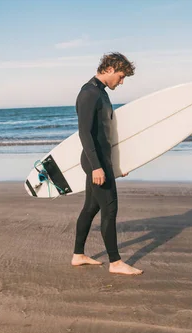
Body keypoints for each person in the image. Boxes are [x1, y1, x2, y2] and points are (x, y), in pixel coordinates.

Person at [71, 52, 143, 275]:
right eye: (121, 77)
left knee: (91, 207)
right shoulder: (88, 93)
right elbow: (85, 133)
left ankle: (78, 255)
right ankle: (115, 262)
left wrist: (117, 165)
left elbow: (107, 134)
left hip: (102, 160)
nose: (121, 82)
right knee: (110, 208)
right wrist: (97, 167)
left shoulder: (100, 93)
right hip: (96, 162)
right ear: (110, 69)